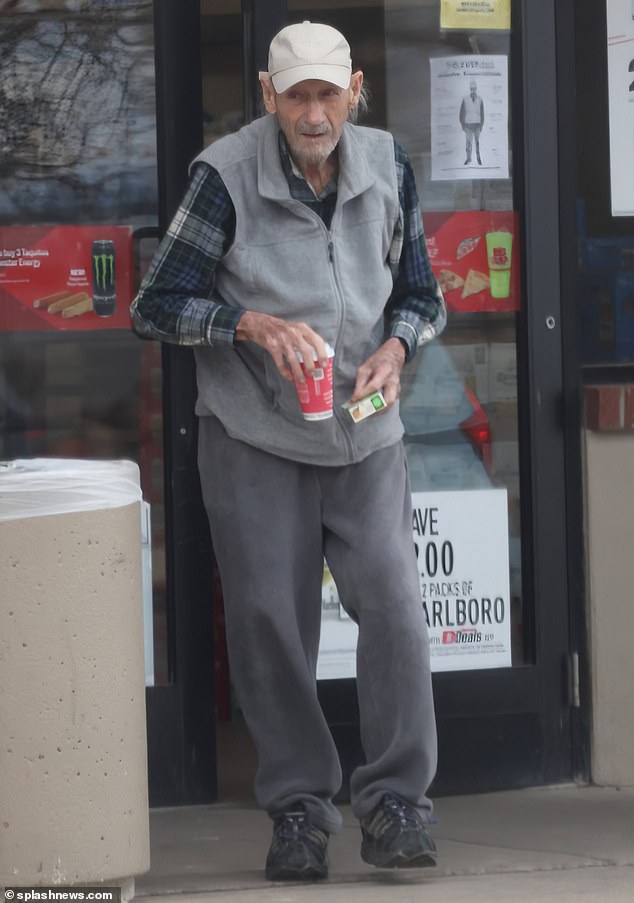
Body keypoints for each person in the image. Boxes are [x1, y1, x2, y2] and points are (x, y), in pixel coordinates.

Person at [131, 20, 446, 883]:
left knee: (393, 604)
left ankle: (396, 804)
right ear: (269, 98)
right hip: (258, 435)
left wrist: (400, 346)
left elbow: (422, 294)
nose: (315, 114)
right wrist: (249, 323)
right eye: (296, 95)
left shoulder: (387, 165)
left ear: (355, 91)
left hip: (367, 429)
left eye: (328, 94)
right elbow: (155, 304)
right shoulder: (226, 177)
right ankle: (301, 811)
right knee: (272, 621)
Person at [459, 79, 485, 165]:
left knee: (477, 143)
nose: (473, 90)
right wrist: (463, 125)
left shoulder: (480, 100)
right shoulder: (465, 99)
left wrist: (481, 125)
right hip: (468, 126)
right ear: (470, 89)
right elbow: (461, 113)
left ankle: (478, 159)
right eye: (471, 89)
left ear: (476, 89)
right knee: (468, 143)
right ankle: (468, 158)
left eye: (474, 88)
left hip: (477, 125)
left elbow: (482, 113)